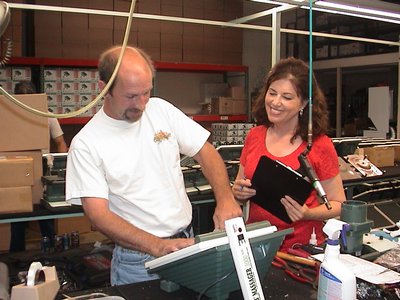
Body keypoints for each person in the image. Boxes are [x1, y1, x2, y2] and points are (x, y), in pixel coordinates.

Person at [65, 45, 243, 285]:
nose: (141, 104)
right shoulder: (87, 143)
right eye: (131, 96)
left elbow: (205, 151)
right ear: (103, 88)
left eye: (146, 92)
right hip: (138, 261)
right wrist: (158, 246)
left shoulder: (161, 110)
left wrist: (225, 198)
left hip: (187, 243)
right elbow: (98, 215)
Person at [231, 57, 346, 252]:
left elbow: (338, 204)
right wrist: (239, 193)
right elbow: (238, 187)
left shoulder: (318, 145)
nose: (275, 102)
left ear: (304, 103)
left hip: (299, 250)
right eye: (272, 93)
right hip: (256, 245)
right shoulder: (254, 135)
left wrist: (308, 213)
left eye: (287, 97)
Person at [9, 81, 68, 252]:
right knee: (18, 217)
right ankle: (16, 256)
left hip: (43, 169)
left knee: (45, 215)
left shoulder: (47, 116)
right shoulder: (10, 118)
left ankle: (50, 253)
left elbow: (60, 142)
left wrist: (58, 166)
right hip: (17, 169)